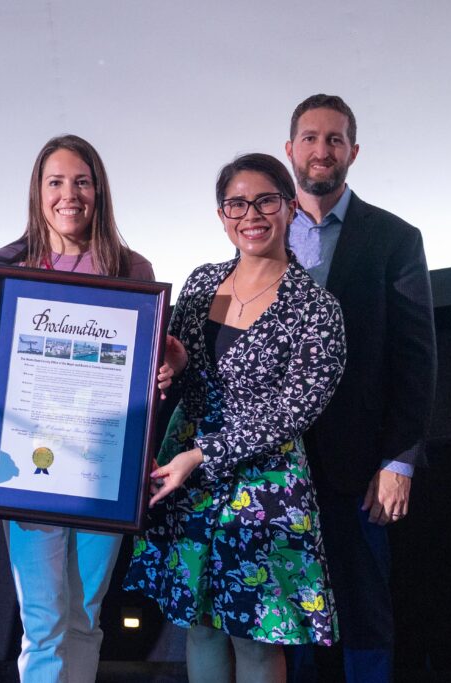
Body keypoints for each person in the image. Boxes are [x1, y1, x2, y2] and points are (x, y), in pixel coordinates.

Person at [123, 153, 347, 683]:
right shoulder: (202, 283)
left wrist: (203, 455)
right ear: (222, 216)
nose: (252, 214)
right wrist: (174, 367)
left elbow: (296, 409)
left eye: (266, 200)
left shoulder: (316, 308)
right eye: (236, 204)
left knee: (253, 637)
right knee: (199, 626)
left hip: (264, 488)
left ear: (291, 208)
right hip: (189, 481)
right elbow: (179, 372)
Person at [0, 134, 155, 683]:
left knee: (85, 619)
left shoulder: (132, 269)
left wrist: (164, 367)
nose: (69, 194)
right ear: (38, 191)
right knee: (45, 622)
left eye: (81, 181)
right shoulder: (3, 267)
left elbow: (147, 374)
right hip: (31, 473)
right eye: (56, 182)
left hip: (105, 475)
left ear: (98, 190)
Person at [284, 94, 437, 682]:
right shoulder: (259, 234)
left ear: (353, 151)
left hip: (362, 472)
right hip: (280, 471)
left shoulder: (394, 238)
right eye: (311, 138)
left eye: (334, 139)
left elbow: (416, 358)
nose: (321, 151)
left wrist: (399, 460)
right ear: (290, 148)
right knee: (291, 625)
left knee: (364, 620)